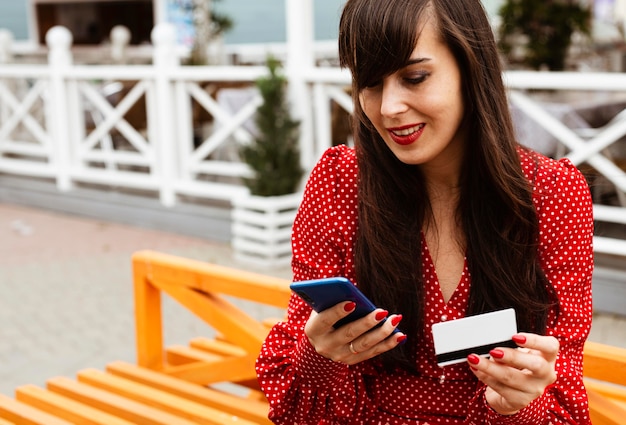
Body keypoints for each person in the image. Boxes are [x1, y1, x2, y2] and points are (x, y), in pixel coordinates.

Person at [255, 0, 594, 423]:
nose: (388, 108)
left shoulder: (551, 193)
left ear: (471, 69)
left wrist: (516, 405)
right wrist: (321, 355)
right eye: (370, 83)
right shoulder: (340, 182)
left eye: (414, 77)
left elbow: (562, 395)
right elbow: (292, 405)